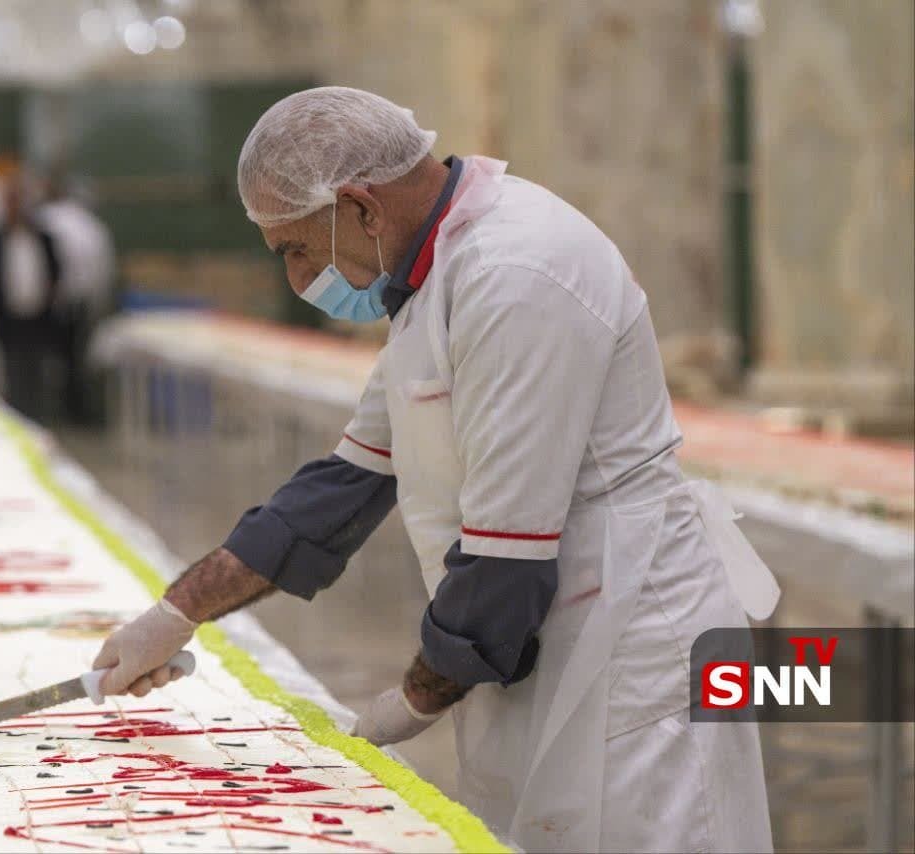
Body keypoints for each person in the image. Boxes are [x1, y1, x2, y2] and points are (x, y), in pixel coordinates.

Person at [89, 86, 780, 852]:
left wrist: (410, 704)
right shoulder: (431, 276)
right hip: (543, 641)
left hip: (630, 648)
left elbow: (505, 564)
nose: (299, 280)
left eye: (296, 251)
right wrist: (175, 614)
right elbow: (342, 487)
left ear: (360, 207)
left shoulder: (515, 274)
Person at [0, 177, 62, 421]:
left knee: (38, 372)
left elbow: (57, 272)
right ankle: (19, 420)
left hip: (40, 317)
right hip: (9, 318)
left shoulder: (44, 238)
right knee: (12, 372)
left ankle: (40, 420)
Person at [39, 167, 116, 425]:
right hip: (77, 306)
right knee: (76, 362)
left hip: (48, 306)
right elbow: (101, 274)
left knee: (47, 363)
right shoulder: (90, 227)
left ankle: (52, 412)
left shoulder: (46, 218)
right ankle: (75, 412)